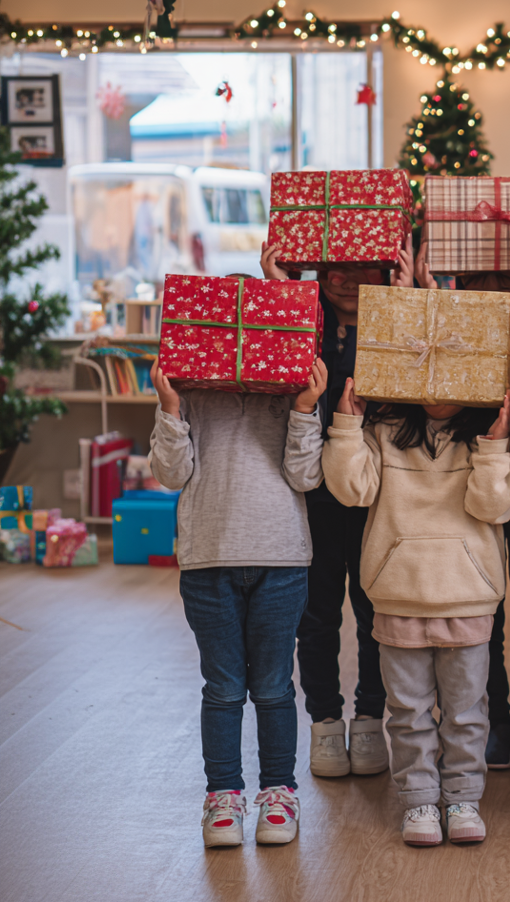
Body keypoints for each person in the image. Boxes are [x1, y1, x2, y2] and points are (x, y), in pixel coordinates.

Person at [322, 380, 510, 847]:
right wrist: (348, 423)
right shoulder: (385, 427)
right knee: (407, 712)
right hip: (398, 595)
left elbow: (494, 506)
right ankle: (418, 801)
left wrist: (495, 446)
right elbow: (351, 489)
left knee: (467, 711)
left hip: (468, 595)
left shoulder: (484, 434)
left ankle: (463, 798)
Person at [148, 352, 328, 848]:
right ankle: (223, 794)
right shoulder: (193, 393)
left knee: (273, 686)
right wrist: (169, 406)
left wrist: (306, 407)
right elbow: (169, 473)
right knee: (223, 687)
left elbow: (306, 476)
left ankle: (278, 792)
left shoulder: (289, 391)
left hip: (282, 560)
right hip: (208, 559)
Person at [259, 242, 415, 779]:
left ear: (384, 266)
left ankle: (370, 717)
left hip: (378, 490)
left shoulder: (395, 318)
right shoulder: (304, 322)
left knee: (376, 610)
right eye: (333, 267)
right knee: (318, 613)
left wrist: (404, 295)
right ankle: (325, 722)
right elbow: (274, 351)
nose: (345, 278)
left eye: (361, 266)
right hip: (313, 491)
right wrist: (281, 283)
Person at [410, 255, 510, 772]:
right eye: (477, 279)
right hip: (476, 462)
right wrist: (421, 292)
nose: (493, 288)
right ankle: (495, 722)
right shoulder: (454, 314)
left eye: (506, 278)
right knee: (483, 612)